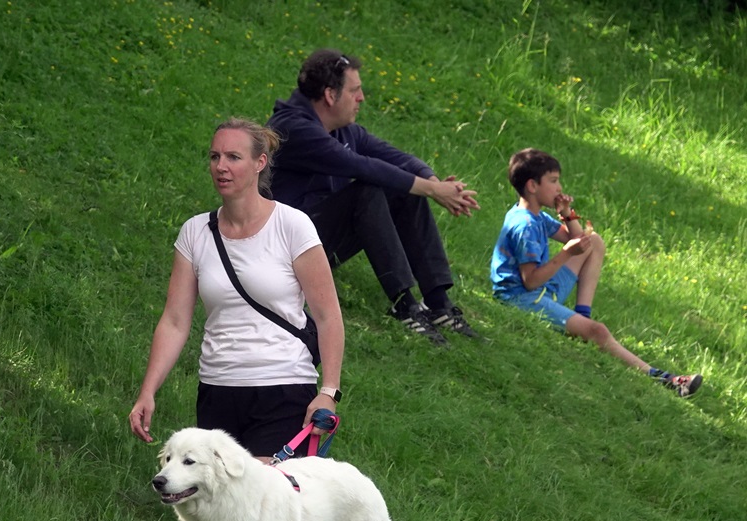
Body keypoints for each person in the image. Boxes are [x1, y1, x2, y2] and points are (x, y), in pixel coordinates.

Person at [128, 117, 345, 521]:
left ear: (259, 164)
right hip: (219, 398)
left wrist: (327, 390)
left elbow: (327, 315)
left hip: (284, 391)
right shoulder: (196, 234)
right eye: (214, 157)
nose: (221, 167)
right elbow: (176, 320)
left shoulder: (292, 227)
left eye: (233, 157)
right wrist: (148, 389)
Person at [266, 48, 481, 347]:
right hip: (285, 248)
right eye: (354, 90)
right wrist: (432, 190)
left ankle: (438, 303)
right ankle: (404, 305)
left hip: (317, 239)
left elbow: (396, 158)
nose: (362, 98)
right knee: (367, 190)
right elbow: (360, 166)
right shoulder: (293, 129)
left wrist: (433, 182)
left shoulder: (345, 132)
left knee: (401, 186)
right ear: (330, 95)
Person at [491, 148, 702, 397]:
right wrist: (565, 253)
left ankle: (582, 318)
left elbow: (581, 241)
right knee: (599, 332)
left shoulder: (536, 216)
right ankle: (666, 380)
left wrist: (567, 214)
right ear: (532, 186)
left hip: (540, 291)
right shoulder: (524, 226)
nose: (559, 187)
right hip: (520, 299)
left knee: (595, 241)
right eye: (553, 181)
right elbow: (529, 282)